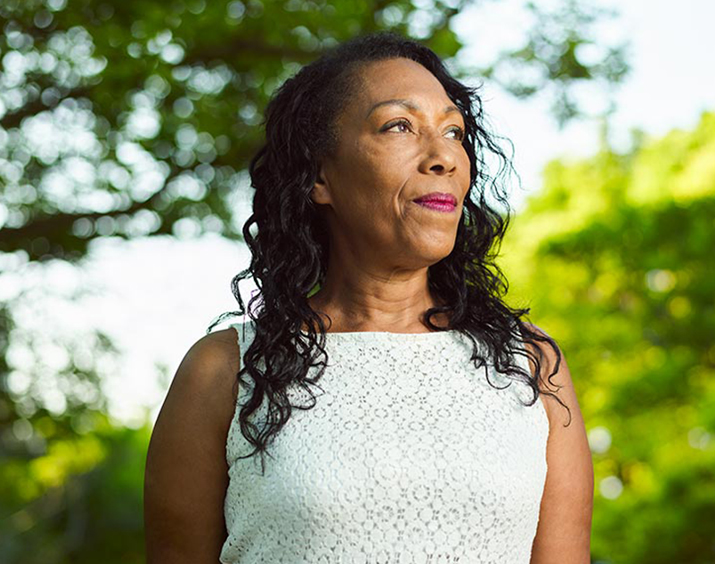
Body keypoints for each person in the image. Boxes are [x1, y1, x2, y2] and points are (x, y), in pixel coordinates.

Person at [144, 30, 593, 563]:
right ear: (318, 175)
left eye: (454, 131)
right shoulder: (223, 371)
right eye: (399, 125)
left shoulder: (531, 366)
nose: (443, 157)